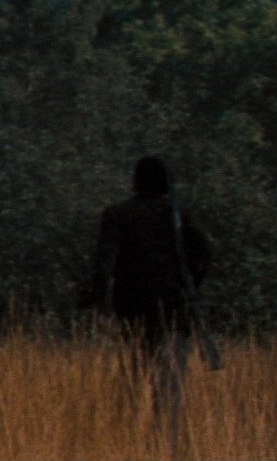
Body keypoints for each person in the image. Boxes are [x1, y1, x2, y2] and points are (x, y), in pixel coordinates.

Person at [88, 155, 211, 446]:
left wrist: (101, 303)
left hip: (134, 312)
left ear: (136, 181)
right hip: (175, 311)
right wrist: (190, 285)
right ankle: (165, 445)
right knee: (169, 389)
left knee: (137, 381)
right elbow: (204, 253)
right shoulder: (178, 214)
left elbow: (104, 266)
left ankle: (136, 444)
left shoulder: (117, 214)